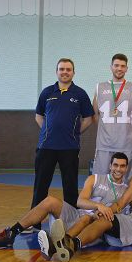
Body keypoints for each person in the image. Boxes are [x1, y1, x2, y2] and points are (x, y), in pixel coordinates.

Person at [0, 152, 129, 252]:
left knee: (87, 218)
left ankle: (58, 244)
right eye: (115, 165)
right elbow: (80, 201)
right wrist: (99, 205)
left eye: (122, 166)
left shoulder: (126, 190)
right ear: (110, 166)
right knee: (50, 201)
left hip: (91, 228)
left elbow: (119, 212)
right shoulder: (95, 179)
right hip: (76, 216)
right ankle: (11, 234)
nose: (118, 169)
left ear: (126, 168)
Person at [31, 58, 94, 230]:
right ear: (56, 71)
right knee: (40, 185)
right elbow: (39, 116)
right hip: (46, 147)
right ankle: (35, 222)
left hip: (69, 148)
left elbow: (89, 118)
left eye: (68, 69)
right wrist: (47, 132)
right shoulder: (47, 92)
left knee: (70, 187)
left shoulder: (80, 94)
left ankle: (71, 220)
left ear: (73, 72)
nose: (65, 72)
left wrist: (75, 132)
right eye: (61, 69)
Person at [92, 53, 132, 182]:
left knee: (126, 182)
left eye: (123, 66)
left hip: (125, 143)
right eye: (116, 65)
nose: (119, 68)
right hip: (104, 144)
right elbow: (95, 114)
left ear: (126, 69)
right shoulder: (99, 87)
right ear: (111, 67)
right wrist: (106, 129)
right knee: (101, 180)